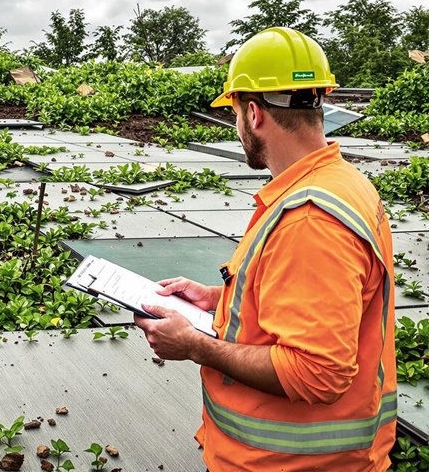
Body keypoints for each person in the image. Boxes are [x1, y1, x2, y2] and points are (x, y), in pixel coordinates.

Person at [134, 27, 397, 471]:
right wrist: (218, 300)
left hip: (293, 464)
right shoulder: (339, 183)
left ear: (253, 113)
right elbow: (319, 302)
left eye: (235, 112)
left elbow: (317, 373)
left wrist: (195, 344)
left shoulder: (311, 219)